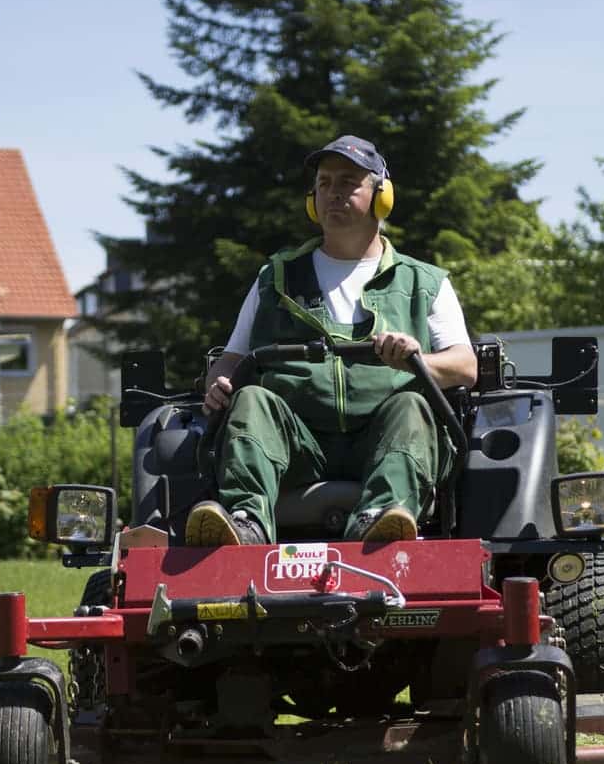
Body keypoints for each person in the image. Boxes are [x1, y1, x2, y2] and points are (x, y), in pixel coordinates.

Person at [184, 135, 478, 547]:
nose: (333, 193)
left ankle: (379, 522)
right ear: (312, 199)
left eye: (348, 182)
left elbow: (466, 366)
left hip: (384, 438)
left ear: (382, 197)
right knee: (251, 400)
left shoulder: (423, 282)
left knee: (413, 404)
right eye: (324, 183)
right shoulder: (275, 277)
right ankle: (245, 524)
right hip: (294, 442)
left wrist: (415, 359)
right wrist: (219, 381)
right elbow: (232, 357)